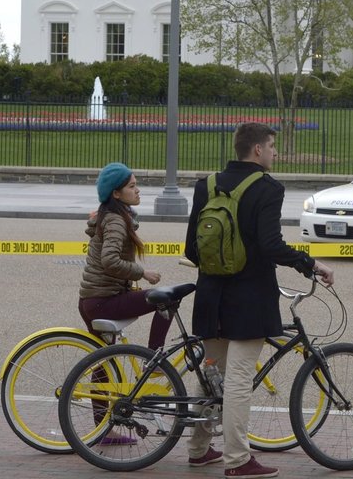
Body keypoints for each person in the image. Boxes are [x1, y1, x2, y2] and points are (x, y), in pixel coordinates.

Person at [184, 122, 334, 478]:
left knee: (212, 372)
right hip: (249, 296)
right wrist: (309, 264)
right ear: (257, 151)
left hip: (210, 293)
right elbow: (270, 245)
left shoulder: (206, 185)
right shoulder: (267, 188)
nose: (275, 152)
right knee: (237, 378)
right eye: (271, 146)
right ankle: (237, 460)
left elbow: (192, 248)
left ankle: (198, 448)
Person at [77, 162, 171, 351]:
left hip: (91, 300)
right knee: (167, 299)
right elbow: (110, 260)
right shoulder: (116, 220)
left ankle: (90, 382)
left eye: (136, 185)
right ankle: (154, 359)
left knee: (104, 364)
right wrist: (142, 272)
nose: (138, 190)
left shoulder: (111, 215)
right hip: (103, 301)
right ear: (116, 194)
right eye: (131, 186)